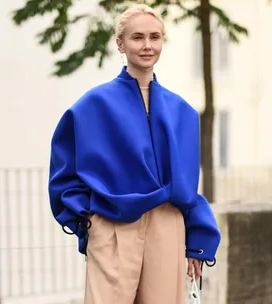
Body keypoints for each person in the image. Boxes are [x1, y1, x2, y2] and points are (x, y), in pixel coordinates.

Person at [48, 3, 221, 304]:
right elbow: (64, 170)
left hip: (167, 225)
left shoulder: (183, 112)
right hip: (112, 223)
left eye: (155, 37)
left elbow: (187, 187)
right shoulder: (92, 106)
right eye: (137, 37)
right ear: (120, 43)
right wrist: (88, 218)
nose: (147, 45)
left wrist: (197, 241)